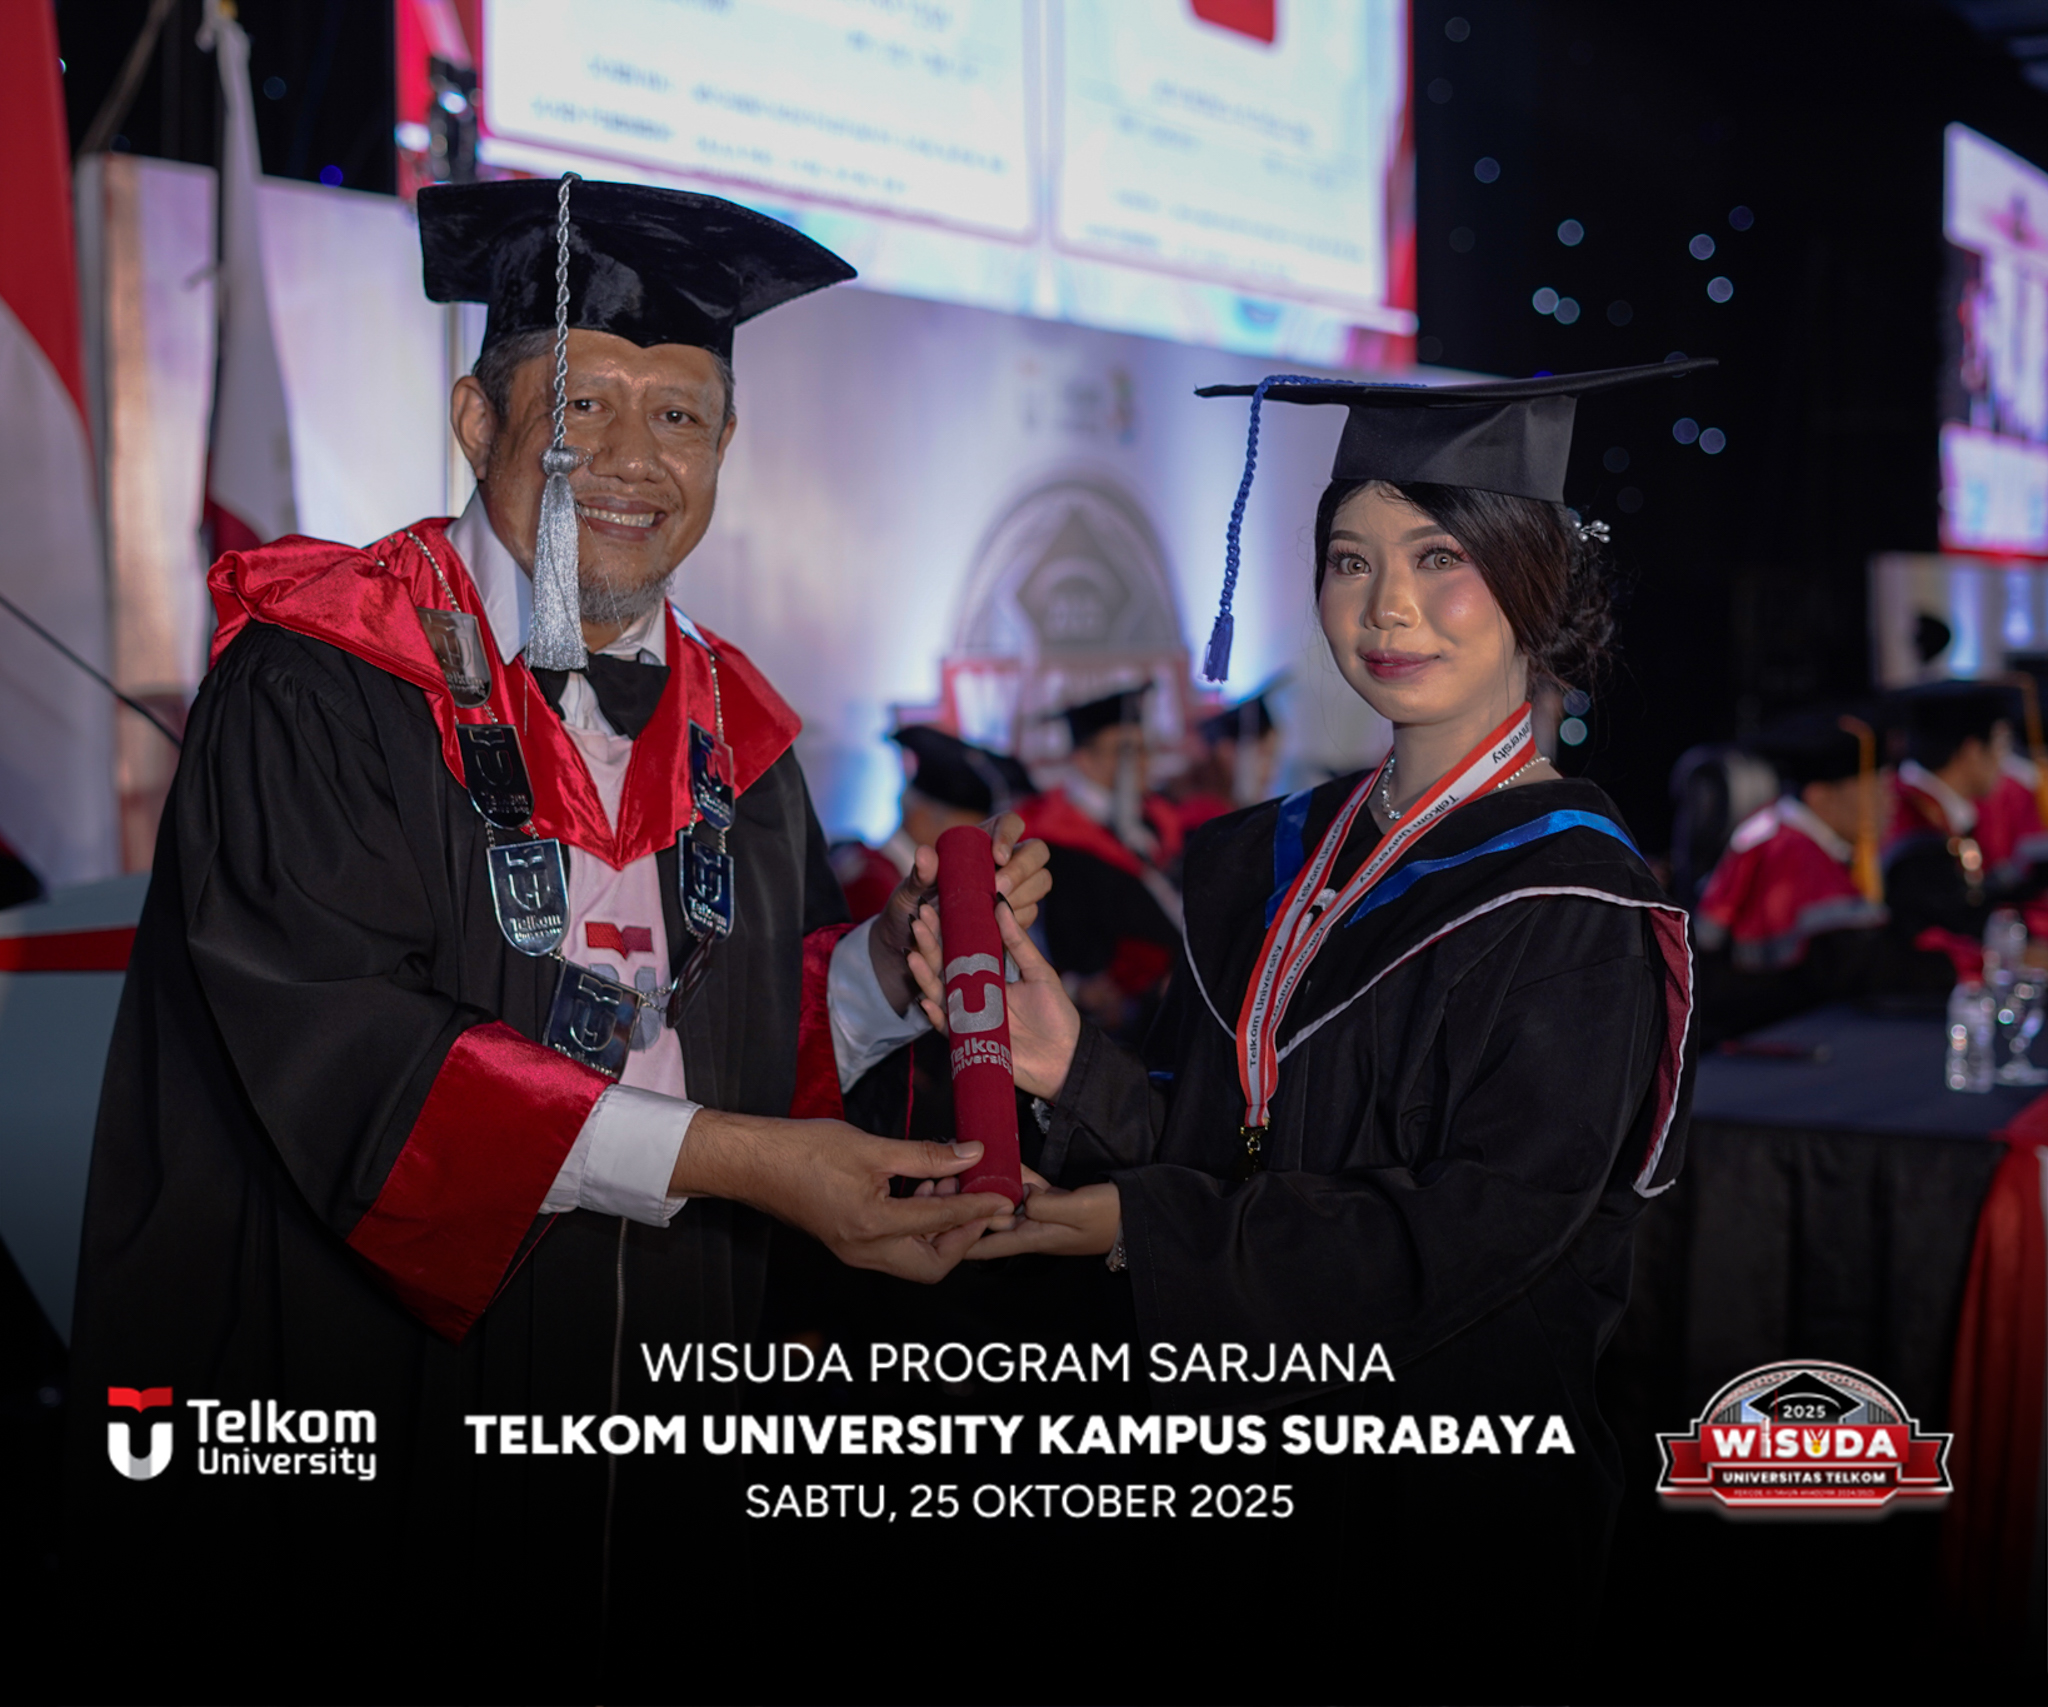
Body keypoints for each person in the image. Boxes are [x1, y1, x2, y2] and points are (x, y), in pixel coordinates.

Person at [62, 176, 1041, 1692]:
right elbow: (342, 1050)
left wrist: (878, 967)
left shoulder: (741, 739)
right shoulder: (322, 682)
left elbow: (717, 1036)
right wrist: (740, 1160)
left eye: (682, 415)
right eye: (583, 403)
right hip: (387, 1388)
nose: (637, 459)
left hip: (662, 1389)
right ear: (476, 418)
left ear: (725, 447)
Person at [912, 363, 1709, 1671]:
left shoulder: (1577, 907)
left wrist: (1144, 1228)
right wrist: (1076, 1067)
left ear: (1538, 583)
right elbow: (1226, 1138)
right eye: (1350, 559)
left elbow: (1470, 1238)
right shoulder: (1262, 859)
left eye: (1440, 556)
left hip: (1437, 1516)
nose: (1386, 605)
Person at [1694, 712, 1954, 1043]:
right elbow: (1853, 967)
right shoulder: (1790, 852)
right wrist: (1954, 965)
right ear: (1820, 795)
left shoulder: (1788, 831)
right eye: (1875, 788)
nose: (1889, 802)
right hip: (1756, 1037)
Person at [1017, 684, 1182, 1039]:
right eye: (1124, 751)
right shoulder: (1057, 843)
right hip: (1112, 1025)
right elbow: (1075, 955)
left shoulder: (1150, 823)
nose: (1139, 762)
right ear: (1083, 759)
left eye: (1142, 749)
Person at [1883, 680, 2048, 954]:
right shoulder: (1910, 827)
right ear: (1972, 751)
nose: (2005, 763)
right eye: (2001, 745)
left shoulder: (1938, 813)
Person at [829, 724, 1033, 923]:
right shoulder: (876, 887)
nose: (974, 847)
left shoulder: (885, 873)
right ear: (921, 817)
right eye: (966, 833)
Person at [1166, 680, 1285, 836]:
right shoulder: (1205, 821)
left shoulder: (1230, 811)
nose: (1271, 773)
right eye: (1263, 756)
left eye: (1274, 759)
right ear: (1226, 751)